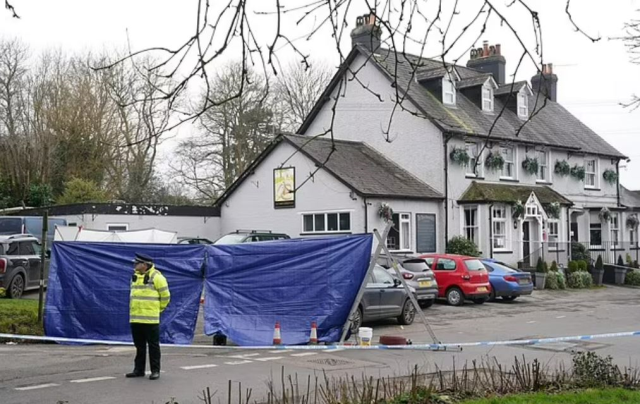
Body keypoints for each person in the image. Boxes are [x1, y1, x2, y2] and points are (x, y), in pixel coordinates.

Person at [126, 253, 170, 380]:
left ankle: (155, 370)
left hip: (150, 319)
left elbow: (166, 297)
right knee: (139, 346)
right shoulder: (134, 277)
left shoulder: (157, 277)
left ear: (144, 265)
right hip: (135, 318)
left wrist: (158, 310)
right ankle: (138, 370)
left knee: (153, 346)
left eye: (137, 263)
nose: (134, 265)